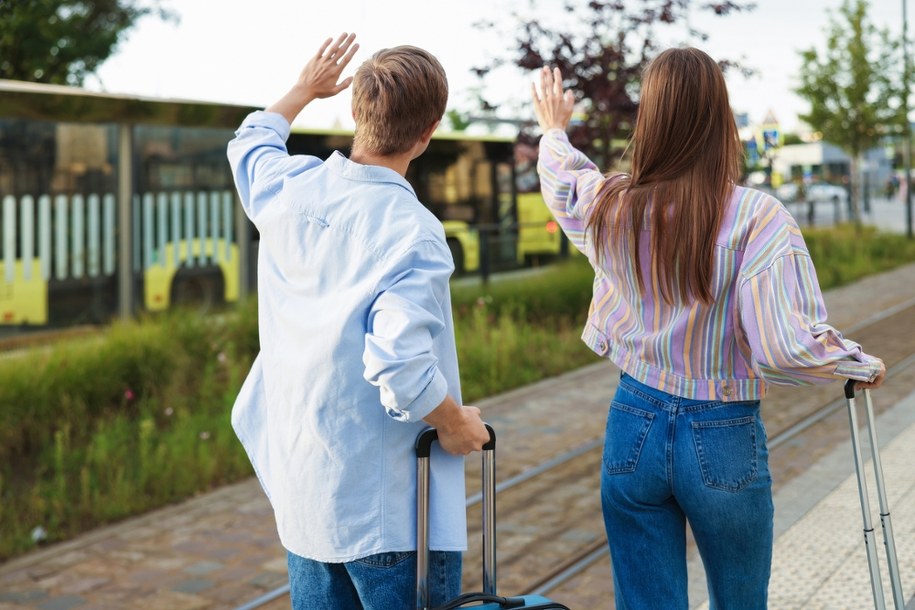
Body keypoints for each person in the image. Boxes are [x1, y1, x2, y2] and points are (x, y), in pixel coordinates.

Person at [530, 49, 885, 610]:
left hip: (633, 422)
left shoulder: (612, 207)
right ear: (721, 119)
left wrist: (554, 128)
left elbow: (563, 180)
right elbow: (781, 347)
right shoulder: (756, 217)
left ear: (651, 120)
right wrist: (852, 362)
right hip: (722, 432)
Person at [227, 33, 490, 610]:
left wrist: (303, 89)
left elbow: (250, 141)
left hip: (306, 502)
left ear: (354, 109)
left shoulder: (287, 188)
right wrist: (453, 423)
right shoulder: (413, 231)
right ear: (429, 131)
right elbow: (400, 363)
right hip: (391, 514)